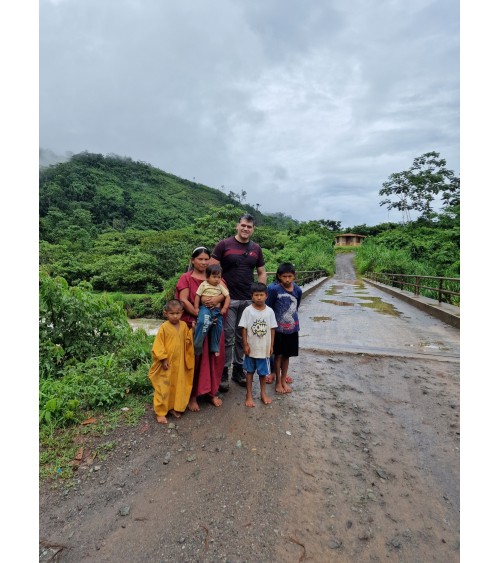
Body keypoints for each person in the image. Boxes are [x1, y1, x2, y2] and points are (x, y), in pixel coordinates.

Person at [210, 214, 267, 391]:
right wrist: (219, 294)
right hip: (229, 299)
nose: (245, 229)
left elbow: (262, 272)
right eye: (243, 225)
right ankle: (224, 372)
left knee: (243, 337)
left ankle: (238, 370)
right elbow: (212, 270)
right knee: (227, 336)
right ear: (237, 226)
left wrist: (260, 293)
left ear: (253, 229)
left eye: (249, 227)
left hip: (247, 300)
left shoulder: (256, 248)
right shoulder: (224, 245)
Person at [176, 247, 226, 411]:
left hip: (214, 323)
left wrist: (217, 299)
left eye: (206, 259)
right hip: (195, 323)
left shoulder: (215, 275)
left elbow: (225, 295)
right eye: (200, 259)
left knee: (213, 357)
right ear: (193, 260)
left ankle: (211, 392)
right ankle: (192, 396)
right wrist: (198, 315)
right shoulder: (186, 278)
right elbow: (184, 300)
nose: (204, 262)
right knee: (195, 360)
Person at [148, 300, 195, 424]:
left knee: (177, 386)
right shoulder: (164, 327)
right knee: (163, 387)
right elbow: (158, 345)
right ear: (166, 313)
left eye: (178, 313)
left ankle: (174, 407)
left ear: (182, 313)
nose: (175, 316)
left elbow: (187, 341)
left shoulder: (184, 325)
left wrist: (193, 331)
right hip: (167, 364)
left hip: (179, 365)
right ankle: (160, 412)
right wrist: (163, 359)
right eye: (172, 313)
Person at [265, 262, 302, 394]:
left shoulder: (298, 290)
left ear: (294, 276)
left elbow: (296, 307)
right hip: (277, 329)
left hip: (292, 329)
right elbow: (268, 308)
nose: (287, 279)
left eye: (290, 276)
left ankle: (284, 380)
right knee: (278, 355)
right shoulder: (273, 289)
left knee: (287, 355)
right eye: (284, 276)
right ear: (279, 276)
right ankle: (278, 382)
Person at [238, 282, 277, 407]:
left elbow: (272, 329)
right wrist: (245, 345)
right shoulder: (248, 311)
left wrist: (271, 346)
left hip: (264, 350)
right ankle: (248, 395)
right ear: (252, 296)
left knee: (262, 373)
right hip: (251, 349)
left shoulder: (270, 311)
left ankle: (263, 393)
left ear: (266, 295)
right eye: (256, 295)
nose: (259, 298)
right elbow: (243, 328)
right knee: (249, 372)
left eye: (261, 295)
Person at [193, 264, 230, 356]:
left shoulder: (220, 286)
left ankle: (215, 347)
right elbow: (197, 296)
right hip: (205, 309)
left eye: (219, 277)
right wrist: (196, 307)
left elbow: (227, 296)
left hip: (216, 310)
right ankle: (197, 343)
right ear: (207, 277)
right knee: (202, 322)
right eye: (214, 277)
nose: (217, 279)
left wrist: (224, 308)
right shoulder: (204, 284)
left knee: (218, 326)